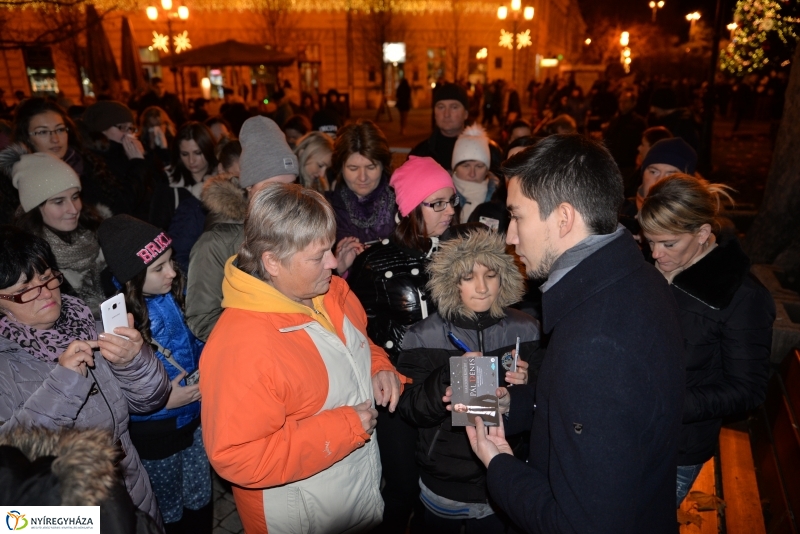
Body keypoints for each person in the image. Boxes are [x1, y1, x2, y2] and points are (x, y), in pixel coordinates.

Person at [463, 134, 685, 533]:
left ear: (563, 218)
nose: (510, 237)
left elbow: (581, 524)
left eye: (518, 216)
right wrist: (515, 404)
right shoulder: (640, 279)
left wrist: (498, 463)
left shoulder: (596, 345)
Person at [200, 183, 403, 533]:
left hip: (351, 495)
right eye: (318, 255)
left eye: (329, 248)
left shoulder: (328, 292)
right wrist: (346, 428)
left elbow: (357, 343)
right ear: (272, 262)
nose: (334, 262)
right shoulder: (241, 346)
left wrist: (378, 365)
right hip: (299, 518)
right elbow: (238, 457)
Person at [0, 225, 170, 525]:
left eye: (48, 277)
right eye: (25, 291)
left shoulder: (87, 322)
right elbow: (11, 464)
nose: (46, 293)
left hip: (132, 488)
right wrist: (64, 383)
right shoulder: (6, 364)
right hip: (66, 510)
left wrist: (133, 361)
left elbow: (151, 400)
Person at [639, 174, 774, 505]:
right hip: (627, 431)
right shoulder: (648, 271)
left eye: (668, 243)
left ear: (702, 233)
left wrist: (667, 406)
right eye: (649, 242)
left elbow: (747, 389)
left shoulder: (741, 296)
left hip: (678, 447)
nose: (656, 254)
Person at [397, 228, 539, 533]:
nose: (482, 287)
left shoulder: (526, 328)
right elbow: (408, 407)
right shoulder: (422, 335)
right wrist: (446, 377)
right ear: (451, 282)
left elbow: (548, 402)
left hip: (505, 476)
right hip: (444, 484)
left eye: (491, 275)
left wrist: (528, 383)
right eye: (468, 277)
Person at [347, 155, 457, 534]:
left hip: (452, 383)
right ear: (410, 208)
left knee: (455, 482)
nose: (449, 212)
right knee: (402, 489)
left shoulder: (461, 255)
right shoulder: (374, 262)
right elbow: (356, 332)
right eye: (437, 203)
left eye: (451, 201)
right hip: (399, 390)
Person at [98, 215, 212, 533]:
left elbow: (197, 342)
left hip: (194, 418)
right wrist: (163, 402)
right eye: (159, 268)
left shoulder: (175, 292)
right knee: (167, 506)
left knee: (199, 495)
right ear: (133, 274)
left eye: (170, 261)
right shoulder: (119, 322)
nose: (172, 272)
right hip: (156, 434)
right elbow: (118, 389)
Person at [184, 116, 298, 342]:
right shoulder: (215, 243)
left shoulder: (297, 227)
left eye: (291, 186)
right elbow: (203, 318)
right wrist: (259, 339)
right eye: (272, 187)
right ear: (249, 186)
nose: (282, 197)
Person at [3, 148, 106, 317]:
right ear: (34, 209)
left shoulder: (98, 231)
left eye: (75, 197)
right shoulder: (29, 258)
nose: (73, 209)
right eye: (59, 202)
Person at [11, 97, 127, 217]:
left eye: (60, 129)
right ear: (27, 138)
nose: (55, 139)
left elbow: (122, 206)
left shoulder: (90, 164)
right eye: (43, 132)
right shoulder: (16, 183)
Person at [326, 120, 395, 270]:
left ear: (384, 165)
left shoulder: (403, 204)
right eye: (353, 168)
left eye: (371, 167)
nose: (362, 177)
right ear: (340, 168)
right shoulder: (327, 211)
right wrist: (339, 270)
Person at [150, 122, 217, 272]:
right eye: (185, 154)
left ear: (208, 149)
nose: (191, 161)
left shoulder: (222, 181)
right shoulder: (169, 183)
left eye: (198, 153)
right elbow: (156, 227)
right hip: (179, 263)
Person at [83, 100, 153, 220]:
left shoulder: (128, 154)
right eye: (122, 128)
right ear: (100, 129)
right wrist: (138, 165)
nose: (128, 135)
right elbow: (124, 205)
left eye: (131, 128)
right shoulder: (92, 163)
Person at [410, 83, 470, 172]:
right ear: (434, 113)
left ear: (465, 114)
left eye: (454, 107)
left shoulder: (485, 151)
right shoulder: (420, 154)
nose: (446, 114)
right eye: (441, 107)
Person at [450, 125, 499, 223]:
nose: (472, 173)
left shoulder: (499, 196)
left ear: (487, 170)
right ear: (455, 168)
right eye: (466, 166)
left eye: (479, 166)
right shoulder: (443, 196)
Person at [636, 137, 697, 210]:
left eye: (671, 176)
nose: (659, 181)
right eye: (653, 172)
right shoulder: (621, 215)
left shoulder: (696, 220)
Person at [604, 89, 647, 190]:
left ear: (633, 103)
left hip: (629, 166)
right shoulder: (614, 121)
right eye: (620, 101)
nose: (622, 104)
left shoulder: (639, 123)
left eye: (625, 101)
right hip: (613, 165)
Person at [139, 106, 176, 172]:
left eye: (158, 125)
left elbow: (172, 162)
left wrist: (164, 146)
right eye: (152, 126)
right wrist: (151, 146)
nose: (155, 129)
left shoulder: (173, 141)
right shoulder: (142, 142)